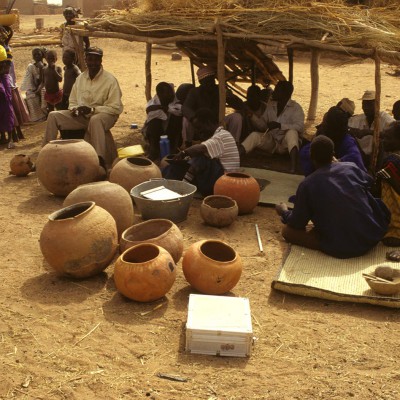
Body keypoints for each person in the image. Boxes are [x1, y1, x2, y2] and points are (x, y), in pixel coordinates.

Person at [275, 135, 390, 259]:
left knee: (287, 232)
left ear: (312, 158)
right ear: (333, 154)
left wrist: (284, 212)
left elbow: (297, 223)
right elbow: (370, 183)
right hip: (371, 236)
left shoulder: (307, 184)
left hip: (343, 246)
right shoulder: (350, 167)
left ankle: (328, 241)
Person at [43, 46, 123, 168]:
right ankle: (45, 155)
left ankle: (99, 161)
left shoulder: (110, 80)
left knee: (96, 120)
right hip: (83, 117)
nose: (93, 63)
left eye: (96, 60)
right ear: (86, 61)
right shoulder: (80, 79)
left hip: (105, 117)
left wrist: (93, 110)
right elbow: (73, 100)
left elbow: (115, 108)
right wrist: (75, 109)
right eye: (90, 60)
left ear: (101, 61)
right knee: (53, 116)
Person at [162, 107, 240, 196]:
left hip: (225, 182)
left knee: (201, 157)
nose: (198, 132)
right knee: (174, 168)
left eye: (199, 128)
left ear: (209, 123)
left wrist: (183, 152)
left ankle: (184, 187)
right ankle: (168, 185)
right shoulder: (217, 136)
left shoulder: (222, 135)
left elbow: (201, 148)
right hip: (218, 178)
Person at [239, 80, 305, 173]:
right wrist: (251, 115)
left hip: (286, 145)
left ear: (285, 94)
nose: (273, 92)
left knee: (292, 133)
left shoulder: (296, 108)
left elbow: (300, 127)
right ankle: (235, 157)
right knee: (255, 135)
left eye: (277, 90)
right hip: (273, 143)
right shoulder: (271, 105)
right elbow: (263, 126)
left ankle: (293, 167)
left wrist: (279, 125)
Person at [182, 66, 243, 145]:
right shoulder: (195, 92)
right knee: (186, 120)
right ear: (201, 82)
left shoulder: (220, 90)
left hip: (217, 124)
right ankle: (187, 144)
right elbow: (185, 108)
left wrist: (231, 97)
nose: (210, 84)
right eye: (207, 82)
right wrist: (194, 119)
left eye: (212, 80)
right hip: (200, 125)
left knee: (236, 117)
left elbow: (239, 106)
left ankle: (233, 144)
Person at [300, 105, 366, 176]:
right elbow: (307, 153)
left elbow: (355, 158)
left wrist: (337, 163)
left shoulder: (347, 140)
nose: (323, 125)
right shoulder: (322, 137)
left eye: (325, 123)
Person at [348, 90, 394, 163]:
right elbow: (344, 127)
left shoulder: (386, 120)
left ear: (377, 105)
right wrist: (352, 131)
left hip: (380, 161)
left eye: (369, 104)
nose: (365, 108)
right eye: (364, 104)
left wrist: (369, 132)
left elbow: (393, 136)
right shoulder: (357, 120)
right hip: (361, 158)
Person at [142, 82, 183, 160]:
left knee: (176, 120)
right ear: (160, 95)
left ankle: (173, 149)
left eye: (171, 92)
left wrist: (166, 109)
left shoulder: (174, 101)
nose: (172, 94)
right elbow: (150, 111)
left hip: (171, 134)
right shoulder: (153, 104)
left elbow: (179, 112)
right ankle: (154, 151)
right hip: (157, 134)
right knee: (154, 124)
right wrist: (162, 107)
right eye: (168, 93)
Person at [376, 122, 400, 252]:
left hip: (394, 235)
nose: (383, 141)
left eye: (387, 138)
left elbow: (376, 189)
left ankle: (393, 229)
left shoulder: (392, 162)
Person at [20, 47, 47, 122]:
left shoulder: (46, 66)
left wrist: (41, 68)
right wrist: (35, 90)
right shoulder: (31, 67)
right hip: (34, 88)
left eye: (38, 54)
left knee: (43, 91)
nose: (36, 56)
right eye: (34, 55)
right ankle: (38, 117)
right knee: (29, 95)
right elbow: (30, 82)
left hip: (44, 87)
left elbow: (43, 81)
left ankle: (45, 113)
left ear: (43, 55)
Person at [0, 45, 14, 146]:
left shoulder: (4, 50)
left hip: (4, 81)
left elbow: (7, 70)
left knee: (7, 111)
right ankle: (3, 137)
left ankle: (10, 138)